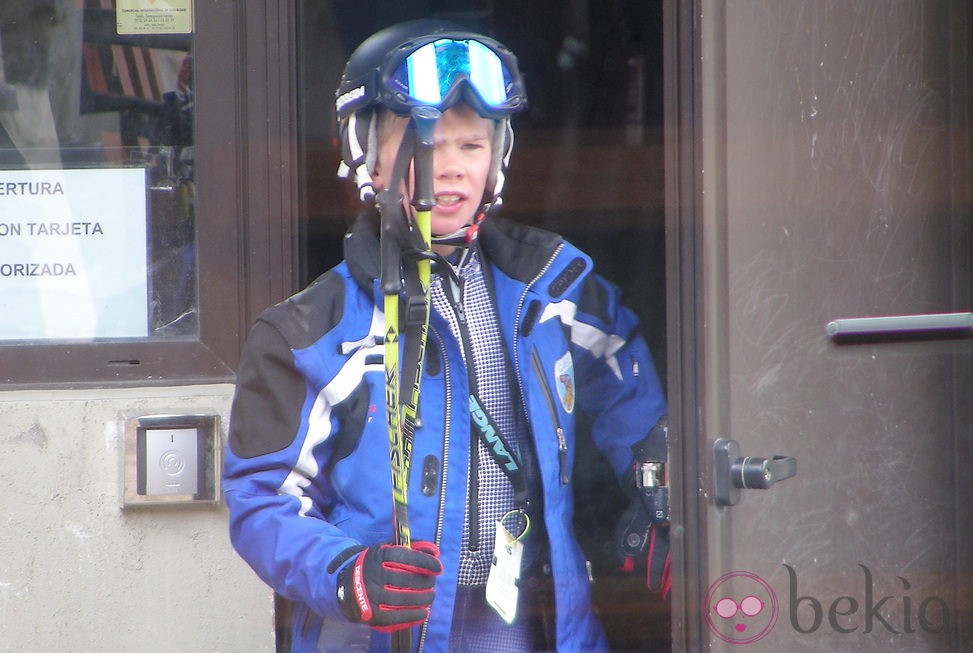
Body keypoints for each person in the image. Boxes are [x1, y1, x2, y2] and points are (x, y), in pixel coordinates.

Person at [222, 19, 669, 653]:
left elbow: (629, 387)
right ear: (367, 154)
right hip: (386, 634)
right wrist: (346, 574)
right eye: (425, 144)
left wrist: (659, 490)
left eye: (472, 145)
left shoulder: (556, 288)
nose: (453, 168)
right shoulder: (309, 334)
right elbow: (262, 498)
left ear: (499, 155)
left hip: (539, 627)